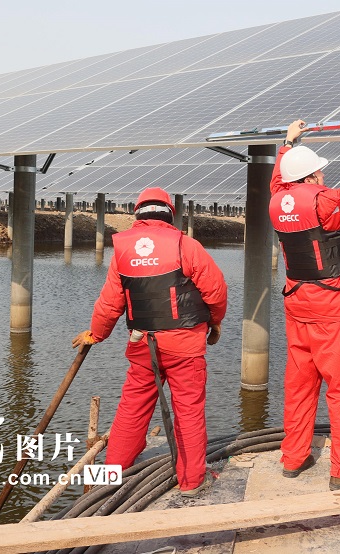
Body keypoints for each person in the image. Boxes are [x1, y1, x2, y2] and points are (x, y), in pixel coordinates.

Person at [72, 187, 227, 497]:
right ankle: (192, 482)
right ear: (170, 215)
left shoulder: (122, 252)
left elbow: (110, 304)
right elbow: (217, 291)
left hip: (143, 345)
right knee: (188, 411)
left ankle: (112, 474)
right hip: (185, 347)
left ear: (137, 215)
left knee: (132, 409)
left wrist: (96, 334)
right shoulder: (187, 245)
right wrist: (214, 322)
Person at [269, 113, 340, 490]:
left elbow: (276, 181)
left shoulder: (276, 202)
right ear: (311, 178)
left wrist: (288, 141)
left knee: (299, 387)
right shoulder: (325, 204)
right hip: (331, 311)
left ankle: (293, 458)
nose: (323, 177)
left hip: (296, 307)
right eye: (318, 173)